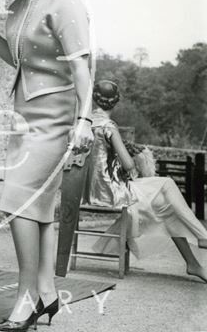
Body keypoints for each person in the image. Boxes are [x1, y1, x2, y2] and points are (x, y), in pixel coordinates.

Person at [0, 0, 93, 331]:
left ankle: (26, 297)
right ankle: (45, 292)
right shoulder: (21, 4)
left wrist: (84, 120)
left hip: (57, 116)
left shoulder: (65, 2)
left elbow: (81, 67)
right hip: (24, 114)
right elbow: (18, 59)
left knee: (17, 200)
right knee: (36, 208)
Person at [88, 80, 207, 282]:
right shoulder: (108, 126)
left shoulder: (86, 124)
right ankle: (202, 236)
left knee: (166, 205)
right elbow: (128, 165)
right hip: (110, 192)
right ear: (115, 102)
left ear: (94, 98)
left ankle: (193, 263)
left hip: (93, 189)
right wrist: (127, 157)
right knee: (167, 185)